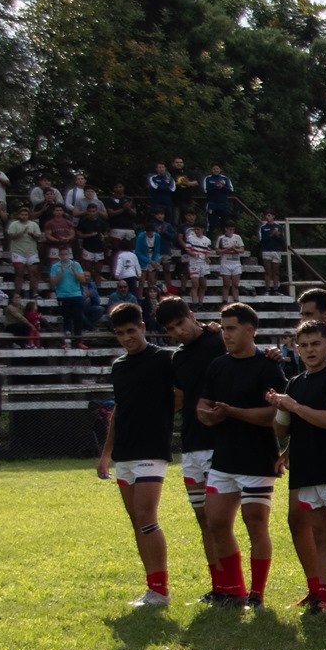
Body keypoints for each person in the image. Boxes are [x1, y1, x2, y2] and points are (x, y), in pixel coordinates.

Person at [269, 319, 326, 614]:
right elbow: (281, 431)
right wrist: (280, 409)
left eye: (315, 344)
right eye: (304, 345)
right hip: (306, 469)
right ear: (296, 348)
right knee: (320, 535)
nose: (309, 350)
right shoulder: (295, 383)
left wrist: (295, 407)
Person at [196, 303, 286, 608]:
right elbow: (203, 404)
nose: (226, 334)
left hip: (257, 459)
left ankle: (257, 594)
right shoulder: (217, 365)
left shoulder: (268, 367)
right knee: (216, 522)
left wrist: (231, 412)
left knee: (255, 524)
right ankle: (234, 590)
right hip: (224, 459)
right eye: (223, 328)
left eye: (232, 328)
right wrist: (207, 415)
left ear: (250, 330)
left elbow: (274, 415)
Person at [99, 304, 176, 607]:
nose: (127, 338)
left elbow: (184, 391)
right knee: (137, 521)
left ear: (143, 327)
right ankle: (152, 588)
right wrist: (106, 453)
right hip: (125, 453)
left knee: (146, 516)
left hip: (152, 448)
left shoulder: (164, 359)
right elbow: (119, 411)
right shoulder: (119, 366)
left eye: (131, 331)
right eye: (120, 333)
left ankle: (162, 590)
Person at [161, 297, 227, 595]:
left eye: (180, 323)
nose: (179, 331)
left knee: (219, 519)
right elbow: (178, 398)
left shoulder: (219, 341)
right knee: (203, 519)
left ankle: (234, 585)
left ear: (191, 315)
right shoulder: (177, 358)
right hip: (191, 446)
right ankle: (218, 585)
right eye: (171, 328)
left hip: (219, 442)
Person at [48, 247, 88, 341]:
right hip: (62, 296)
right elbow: (53, 283)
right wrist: (61, 272)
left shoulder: (76, 264)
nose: (64, 256)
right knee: (66, 317)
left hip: (76, 295)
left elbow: (83, 280)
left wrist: (74, 271)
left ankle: (78, 339)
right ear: (59, 255)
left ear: (69, 254)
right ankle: (68, 338)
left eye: (66, 254)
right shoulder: (55, 266)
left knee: (78, 317)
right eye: (62, 255)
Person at [5, 205, 41, 300]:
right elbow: (11, 236)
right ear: (19, 215)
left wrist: (32, 234)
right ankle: (17, 293)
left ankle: (35, 293)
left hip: (31, 251)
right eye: (22, 214)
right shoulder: (14, 224)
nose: (24, 216)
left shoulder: (33, 225)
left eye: (26, 215)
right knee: (19, 273)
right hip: (18, 252)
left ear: (28, 215)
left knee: (33, 273)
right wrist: (22, 232)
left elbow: (38, 237)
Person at [181, 220, 211, 306]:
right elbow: (188, 249)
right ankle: (194, 303)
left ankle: (200, 302)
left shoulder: (207, 240)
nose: (196, 231)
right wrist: (192, 254)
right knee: (195, 284)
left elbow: (207, 252)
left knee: (203, 285)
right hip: (194, 263)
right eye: (195, 229)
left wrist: (207, 257)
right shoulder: (190, 238)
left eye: (198, 229)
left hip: (203, 264)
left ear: (202, 229)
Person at [214, 222, 245, 304]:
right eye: (230, 229)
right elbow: (217, 251)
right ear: (226, 229)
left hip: (236, 263)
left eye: (233, 229)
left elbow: (242, 250)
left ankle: (236, 300)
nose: (231, 231)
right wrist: (227, 250)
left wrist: (235, 249)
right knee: (226, 284)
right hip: (225, 263)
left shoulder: (237, 237)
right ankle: (225, 301)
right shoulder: (221, 238)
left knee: (235, 284)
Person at [200, 163, 234, 229]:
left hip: (224, 205)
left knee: (225, 224)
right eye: (214, 169)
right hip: (212, 205)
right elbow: (205, 190)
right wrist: (216, 187)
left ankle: (225, 235)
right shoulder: (208, 178)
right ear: (211, 170)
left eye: (217, 169)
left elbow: (230, 190)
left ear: (220, 169)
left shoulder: (225, 178)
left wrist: (222, 187)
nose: (216, 170)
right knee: (211, 224)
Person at [258, 212, 286, 291]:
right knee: (268, 271)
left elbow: (282, 240)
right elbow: (262, 240)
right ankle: (267, 289)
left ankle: (275, 288)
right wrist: (271, 234)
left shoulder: (278, 227)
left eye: (269, 215)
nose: (267, 217)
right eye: (266, 215)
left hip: (276, 250)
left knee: (276, 272)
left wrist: (277, 235)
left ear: (273, 216)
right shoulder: (263, 227)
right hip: (266, 250)